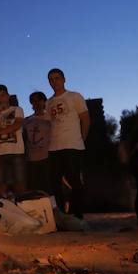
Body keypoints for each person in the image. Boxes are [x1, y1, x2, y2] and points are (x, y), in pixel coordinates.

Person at [45, 68, 90, 219]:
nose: (54, 82)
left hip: (73, 145)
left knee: (74, 179)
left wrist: (81, 138)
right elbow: (49, 124)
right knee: (55, 181)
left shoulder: (74, 96)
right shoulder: (49, 102)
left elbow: (85, 119)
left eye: (57, 78)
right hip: (54, 146)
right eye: (51, 79)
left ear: (64, 79)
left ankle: (78, 215)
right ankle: (62, 215)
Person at [0, 85, 26, 197]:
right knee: (0, 184)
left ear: (8, 96)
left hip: (16, 151)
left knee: (19, 182)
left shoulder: (17, 110)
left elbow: (17, 125)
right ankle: (4, 209)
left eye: (3, 95)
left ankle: (22, 206)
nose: (0, 98)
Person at [23, 91, 52, 196]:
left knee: (49, 185)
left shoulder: (50, 119)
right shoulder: (26, 121)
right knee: (35, 187)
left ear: (44, 101)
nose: (36, 103)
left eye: (39, 100)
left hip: (47, 157)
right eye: (33, 101)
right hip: (31, 158)